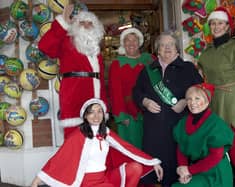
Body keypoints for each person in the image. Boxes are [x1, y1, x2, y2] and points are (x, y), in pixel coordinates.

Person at [31, 98, 163, 187]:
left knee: (135, 168)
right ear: (85, 116)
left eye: (99, 111)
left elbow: (127, 148)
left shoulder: (105, 132)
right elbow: (60, 158)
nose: (96, 116)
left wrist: (153, 162)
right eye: (91, 112)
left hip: (104, 178)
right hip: (86, 183)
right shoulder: (78, 135)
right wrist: (37, 180)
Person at [133, 31, 203, 186]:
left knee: (177, 171)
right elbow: (136, 92)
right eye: (163, 45)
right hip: (153, 132)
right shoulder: (147, 71)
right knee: (153, 173)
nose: (167, 48)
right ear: (157, 50)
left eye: (171, 44)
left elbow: (201, 91)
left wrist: (185, 101)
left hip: (179, 129)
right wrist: (145, 101)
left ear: (177, 48)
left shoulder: (188, 68)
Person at [198, 7, 235, 187]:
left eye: (220, 23)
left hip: (233, 102)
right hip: (214, 102)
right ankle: (223, 181)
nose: (216, 27)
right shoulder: (206, 53)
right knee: (217, 145)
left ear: (227, 26)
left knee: (233, 145)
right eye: (213, 23)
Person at [38, 5, 107, 138]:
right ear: (75, 25)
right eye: (82, 22)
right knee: (73, 136)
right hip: (74, 94)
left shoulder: (95, 49)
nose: (86, 26)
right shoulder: (66, 40)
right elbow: (44, 46)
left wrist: (103, 101)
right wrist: (63, 23)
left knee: (96, 137)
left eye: (90, 23)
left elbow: (99, 78)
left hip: (96, 95)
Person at [172, 83, 234, 187]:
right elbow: (181, 149)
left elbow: (215, 157)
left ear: (206, 102)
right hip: (195, 170)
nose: (192, 103)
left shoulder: (215, 124)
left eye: (197, 98)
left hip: (214, 173)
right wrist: (184, 170)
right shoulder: (183, 123)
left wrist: (189, 170)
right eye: (189, 99)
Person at [109, 27, 154, 149]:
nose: (131, 43)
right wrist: (121, 115)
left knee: (149, 147)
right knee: (131, 149)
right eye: (127, 40)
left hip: (149, 112)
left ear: (139, 42)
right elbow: (115, 91)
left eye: (134, 40)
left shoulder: (149, 60)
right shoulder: (117, 63)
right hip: (128, 114)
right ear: (123, 43)